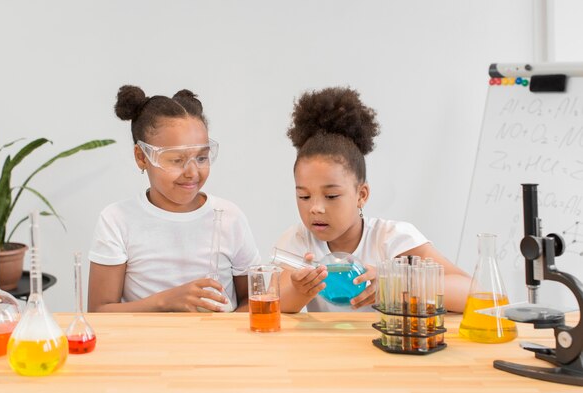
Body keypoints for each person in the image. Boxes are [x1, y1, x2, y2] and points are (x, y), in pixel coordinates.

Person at [276, 87, 471, 313]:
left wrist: (398, 283)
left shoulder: (392, 239)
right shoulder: (298, 241)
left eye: (331, 196)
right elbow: (275, 302)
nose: (315, 208)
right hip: (328, 348)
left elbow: (473, 293)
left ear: (361, 195)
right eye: (304, 196)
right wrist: (299, 289)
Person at [88, 85, 260, 312]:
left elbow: (255, 298)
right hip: (147, 345)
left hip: (214, 344)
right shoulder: (117, 220)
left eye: (201, 157)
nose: (192, 172)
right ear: (141, 157)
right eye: (177, 160)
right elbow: (99, 311)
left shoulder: (229, 218)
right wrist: (165, 301)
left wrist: (224, 331)